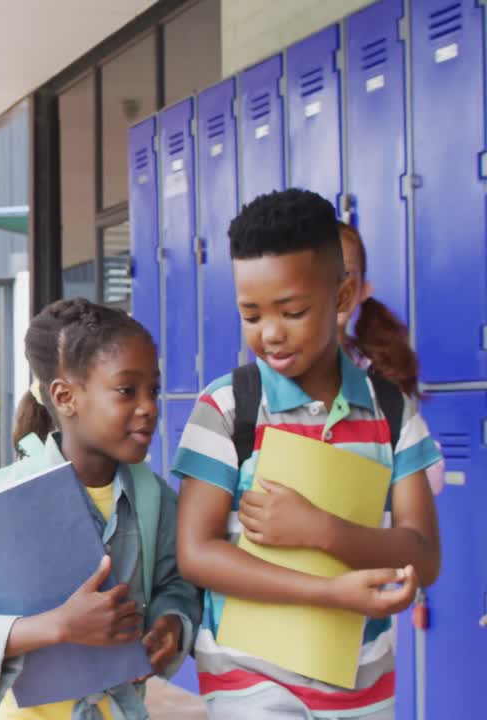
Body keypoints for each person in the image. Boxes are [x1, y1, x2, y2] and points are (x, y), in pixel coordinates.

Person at [173, 189, 443, 719]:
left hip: (362, 684)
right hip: (248, 681)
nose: (270, 333)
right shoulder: (227, 407)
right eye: (250, 315)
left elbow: (425, 555)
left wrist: (323, 531)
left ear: (342, 298)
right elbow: (197, 553)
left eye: (292, 311)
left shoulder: (392, 414)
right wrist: (330, 592)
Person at [0, 298, 201, 720]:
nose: (149, 406)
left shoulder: (156, 502)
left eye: (154, 389)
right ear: (65, 397)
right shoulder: (0, 501)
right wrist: (59, 625)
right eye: (127, 390)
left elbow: (177, 585)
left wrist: (171, 623)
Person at [336, 222, 445, 494]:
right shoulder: (257, 389)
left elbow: (430, 477)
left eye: (344, 274)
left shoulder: (377, 374)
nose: (332, 286)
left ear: (363, 290)